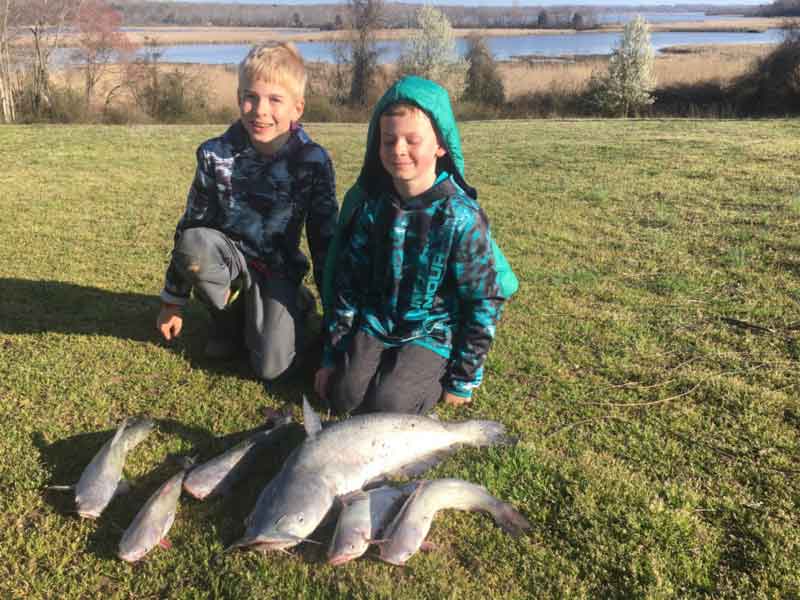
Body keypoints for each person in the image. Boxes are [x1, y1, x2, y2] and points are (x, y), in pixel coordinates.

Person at [314, 76, 517, 415]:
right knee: (343, 395)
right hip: (376, 324)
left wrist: (463, 379)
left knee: (388, 405)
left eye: (412, 140)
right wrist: (333, 356)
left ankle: (429, 376)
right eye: (388, 140)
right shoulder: (372, 207)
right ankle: (372, 368)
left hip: (430, 332)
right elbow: (348, 286)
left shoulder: (461, 216)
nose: (398, 150)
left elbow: (484, 299)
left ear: (440, 145)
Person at [156, 42, 338, 382]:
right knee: (195, 245)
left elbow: (326, 242)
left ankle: (296, 304)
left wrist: (336, 318)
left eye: (275, 100)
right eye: (250, 97)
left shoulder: (313, 162)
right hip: (229, 263)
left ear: (297, 108)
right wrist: (173, 302)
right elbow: (191, 226)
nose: (259, 110)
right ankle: (227, 323)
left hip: (278, 272)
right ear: (239, 97)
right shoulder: (214, 155)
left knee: (273, 369)